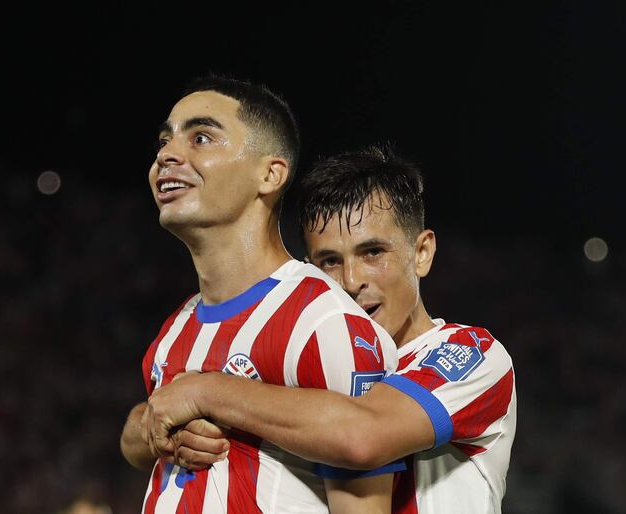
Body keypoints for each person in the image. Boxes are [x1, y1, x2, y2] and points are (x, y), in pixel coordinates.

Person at [144, 145, 517, 514]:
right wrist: (177, 428)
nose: (351, 281)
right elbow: (148, 419)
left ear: (421, 253)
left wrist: (207, 394)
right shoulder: (305, 358)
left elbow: (363, 435)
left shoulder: (473, 354)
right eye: (329, 261)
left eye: (372, 253)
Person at [119, 77, 401, 514]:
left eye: (201, 138)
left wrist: (208, 395)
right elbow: (138, 437)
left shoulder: (324, 322)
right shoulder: (175, 328)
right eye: (164, 140)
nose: (166, 156)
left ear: (270, 175)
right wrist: (154, 430)